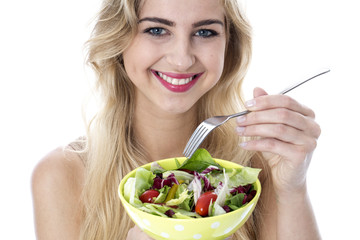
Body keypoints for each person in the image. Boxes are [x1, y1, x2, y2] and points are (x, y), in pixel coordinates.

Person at [31, 0, 322, 239]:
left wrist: (293, 189)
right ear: (119, 39)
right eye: (157, 30)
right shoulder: (60, 175)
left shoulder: (257, 165)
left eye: (205, 32)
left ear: (228, 46)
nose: (182, 59)